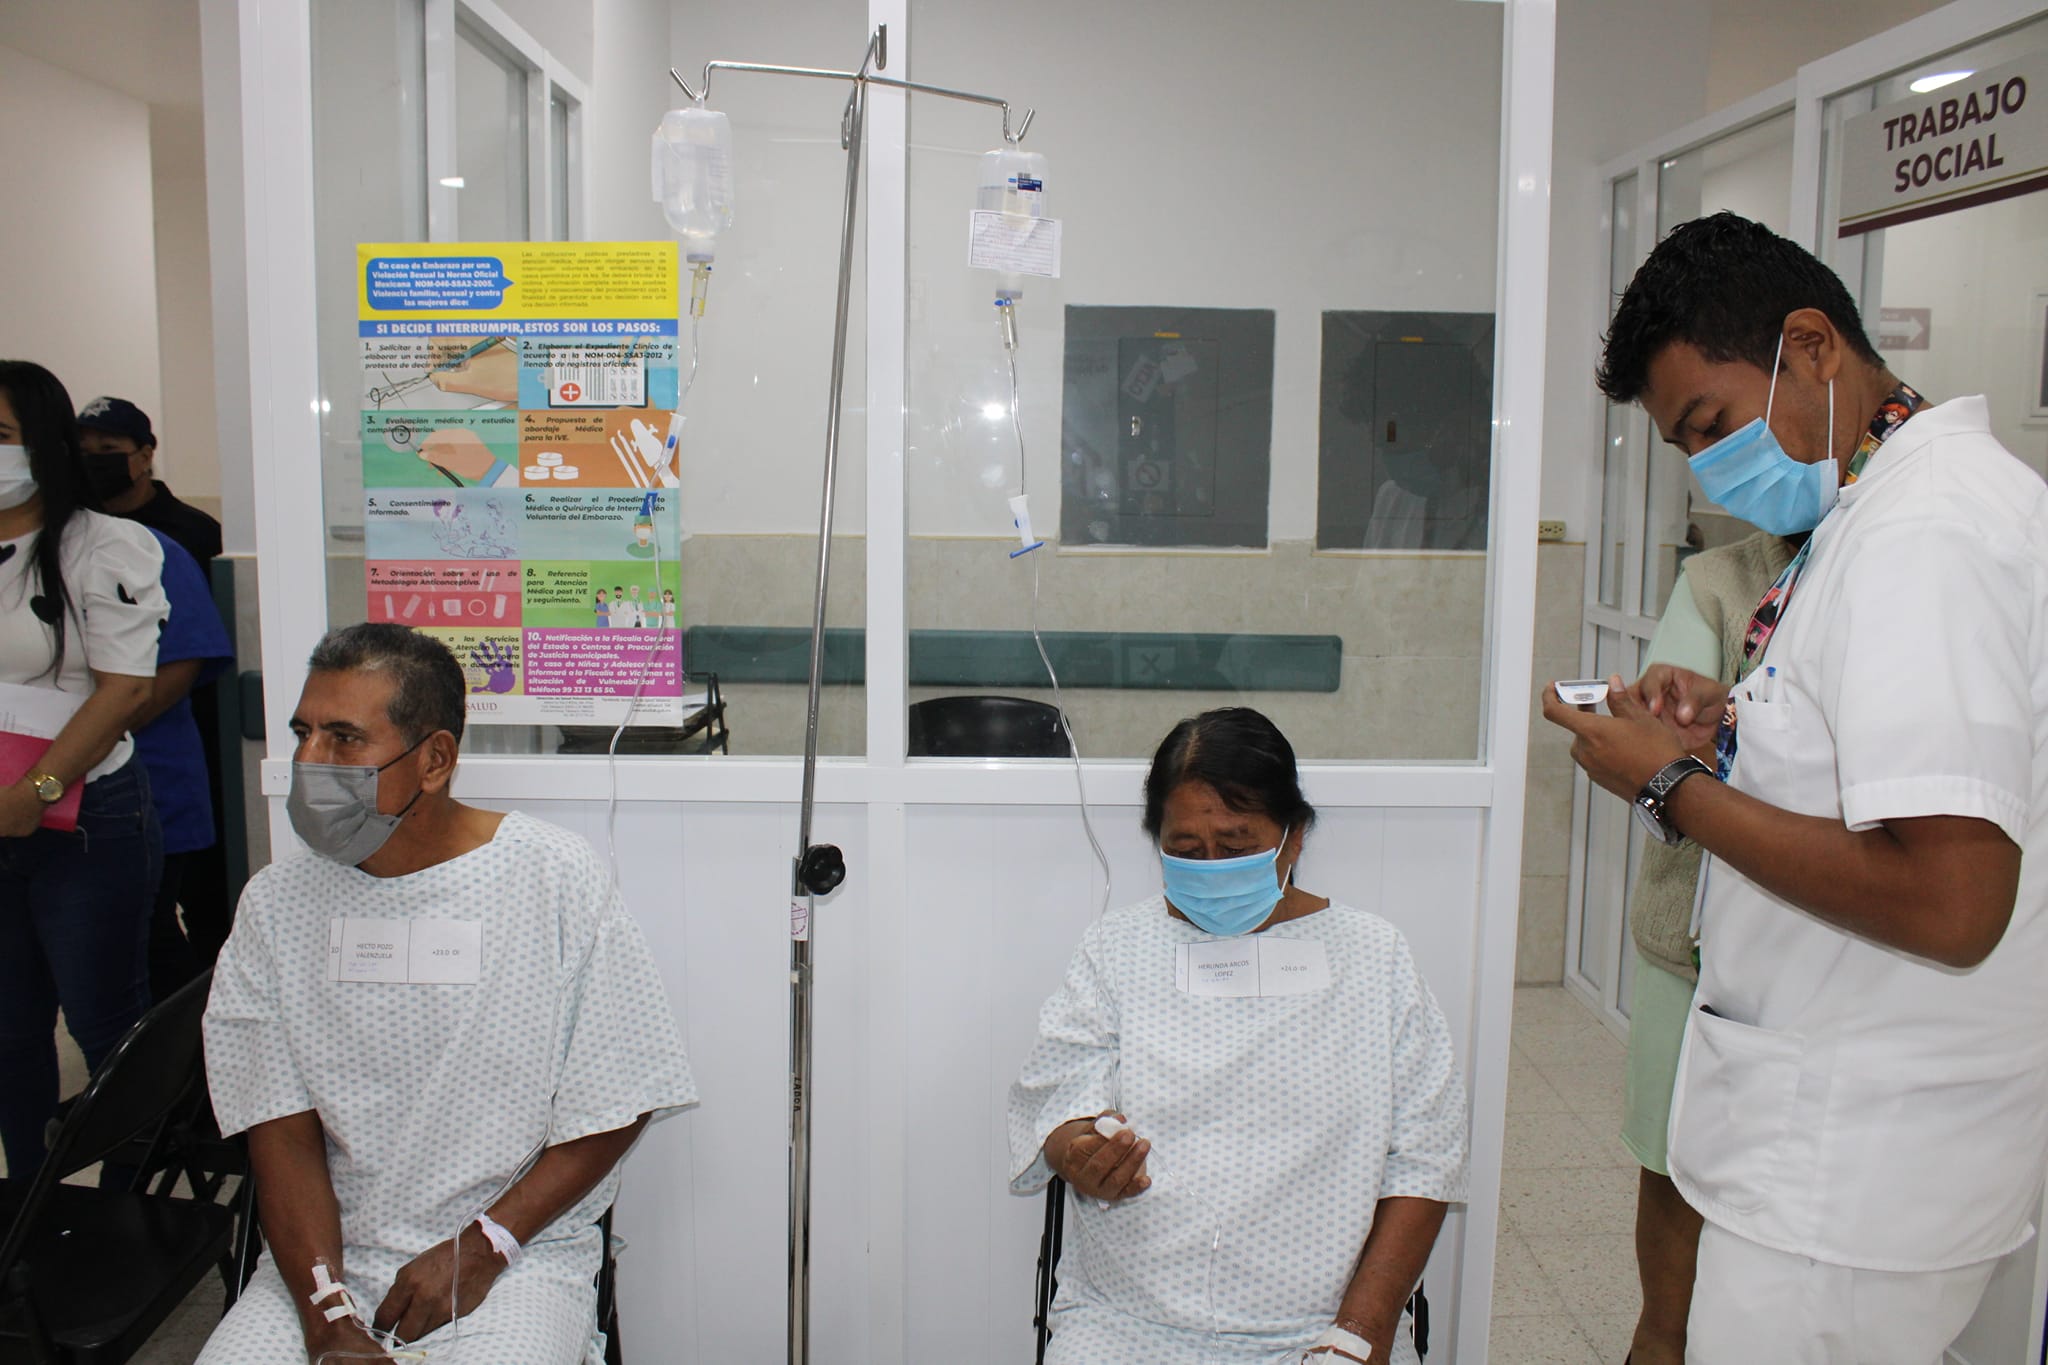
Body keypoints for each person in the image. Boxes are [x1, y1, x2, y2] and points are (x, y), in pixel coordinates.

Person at [1544, 212, 2048, 1364]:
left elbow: (1952, 901)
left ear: (1810, 347)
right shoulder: (1872, 511)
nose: (1707, 468)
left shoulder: (1925, 535)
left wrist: (1669, 784)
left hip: (1854, 1168)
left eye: (1709, 425)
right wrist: (1736, 725)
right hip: (1837, 1149)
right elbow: (1880, 758)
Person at [198, 624, 697, 1364]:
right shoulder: (278, 905)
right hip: (327, 1256)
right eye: (304, 733)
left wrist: (484, 1246)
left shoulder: (549, 877)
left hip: (515, 1252)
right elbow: (280, 1130)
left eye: (344, 739)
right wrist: (328, 1314)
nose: (309, 762)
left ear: (434, 759)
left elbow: (620, 1095)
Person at [1009, 707, 1468, 1364]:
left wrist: (1359, 1334)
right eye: (1187, 851)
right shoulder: (1117, 948)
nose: (1212, 868)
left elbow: (1426, 1158)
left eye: (1235, 847)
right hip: (1126, 1319)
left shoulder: (1374, 957)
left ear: (1295, 837)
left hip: (1318, 1327)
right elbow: (1059, 1099)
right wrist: (1079, 1150)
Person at [1616, 531, 1793, 1365]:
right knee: (1671, 1161)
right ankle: (1663, 1334)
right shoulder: (1721, 578)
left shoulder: (1889, 559)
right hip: (1689, 942)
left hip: (1816, 955)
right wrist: (1688, 726)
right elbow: (1662, 745)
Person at [0, 361, 168, 1182]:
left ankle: (128, 1208)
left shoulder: (106, 544)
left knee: (105, 1026)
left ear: (41, 442)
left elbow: (125, 688)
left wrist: (37, 792)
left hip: (84, 818)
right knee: (10, 1029)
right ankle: (31, 1210)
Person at [77, 394, 238, 965]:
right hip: (73, 772)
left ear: (146, 455)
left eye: (109, 450)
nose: (94, 462)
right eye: (82, 450)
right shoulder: (62, 541)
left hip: (169, 753)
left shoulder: (180, 540)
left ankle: (199, 1018)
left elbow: (184, 660)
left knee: (175, 920)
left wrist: (99, 730)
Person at [128, 529, 235, 1001]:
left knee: (143, 939)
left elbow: (183, 661)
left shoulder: (147, 551)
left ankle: (187, 1047)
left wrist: (81, 742)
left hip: (140, 784)